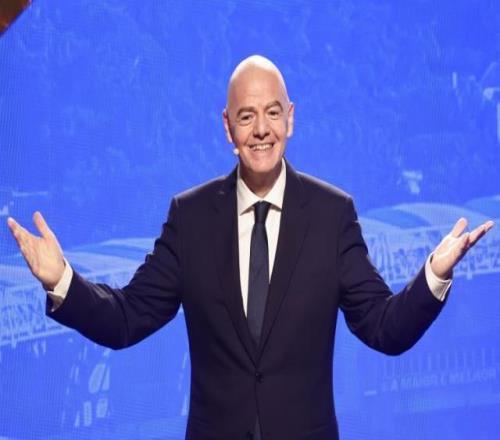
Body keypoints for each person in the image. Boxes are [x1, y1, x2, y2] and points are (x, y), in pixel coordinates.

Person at [7, 56, 494, 440]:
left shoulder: (332, 215)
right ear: (228, 127)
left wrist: (435, 274)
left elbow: (383, 327)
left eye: (272, 113)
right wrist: (61, 280)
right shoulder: (191, 218)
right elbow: (126, 318)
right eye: (247, 116)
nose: (261, 129)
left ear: (290, 119)